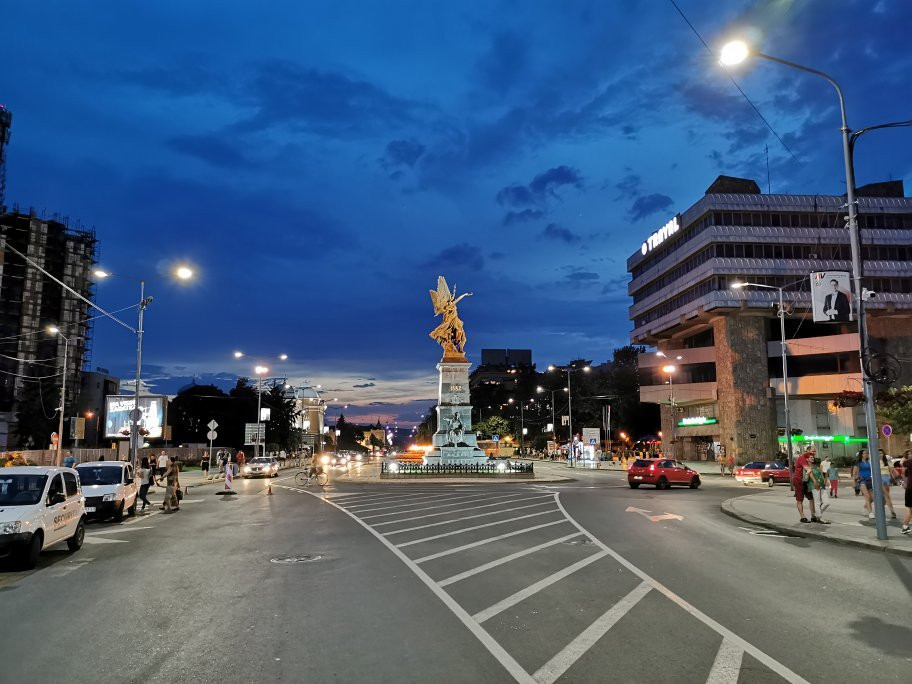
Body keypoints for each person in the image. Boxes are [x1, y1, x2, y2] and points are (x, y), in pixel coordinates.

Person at [792, 447, 819, 523]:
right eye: (812, 451)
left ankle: (813, 516)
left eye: (814, 452)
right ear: (807, 451)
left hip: (806, 481)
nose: (813, 453)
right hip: (799, 480)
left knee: (811, 498)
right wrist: (814, 481)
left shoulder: (811, 460)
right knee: (800, 500)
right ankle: (802, 517)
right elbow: (808, 470)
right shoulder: (802, 458)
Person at [852, 449, 875, 519]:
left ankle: (865, 507)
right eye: (864, 453)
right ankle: (870, 513)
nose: (866, 454)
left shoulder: (868, 462)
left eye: (866, 453)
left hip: (869, 480)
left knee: (872, 498)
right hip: (862, 481)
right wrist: (854, 483)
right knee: (867, 496)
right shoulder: (858, 463)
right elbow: (854, 473)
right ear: (861, 455)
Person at [878, 450, 898, 520]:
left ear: (883, 454)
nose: (880, 454)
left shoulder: (886, 461)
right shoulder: (875, 461)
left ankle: (880, 510)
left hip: (887, 478)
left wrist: (896, 475)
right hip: (879, 479)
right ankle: (892, 512)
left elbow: (892, 469)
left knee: (885, 497)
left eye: (881, 453)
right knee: (887, 496)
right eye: (878, 453)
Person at [900, 449, 911, 535]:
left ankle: (905, 526)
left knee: (908, 506)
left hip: (910, 487)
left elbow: (903, 474)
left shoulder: (907, 463)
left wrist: (905, 484)